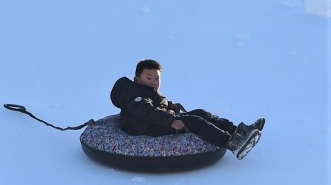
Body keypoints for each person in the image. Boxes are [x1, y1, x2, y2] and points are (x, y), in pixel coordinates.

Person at [110, 59, 265, 160]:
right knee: (193, 121)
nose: (153, 82)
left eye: (157, 78)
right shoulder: (134, 95)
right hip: (145, 128)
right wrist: (170, 120)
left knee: (199, 112)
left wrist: (169, 106)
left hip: (154, 122)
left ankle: (239, 131)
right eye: (148, 78)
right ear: (137, 80)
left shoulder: (144, 92)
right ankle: (232, 144)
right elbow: (145, 111)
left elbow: (153, 105)